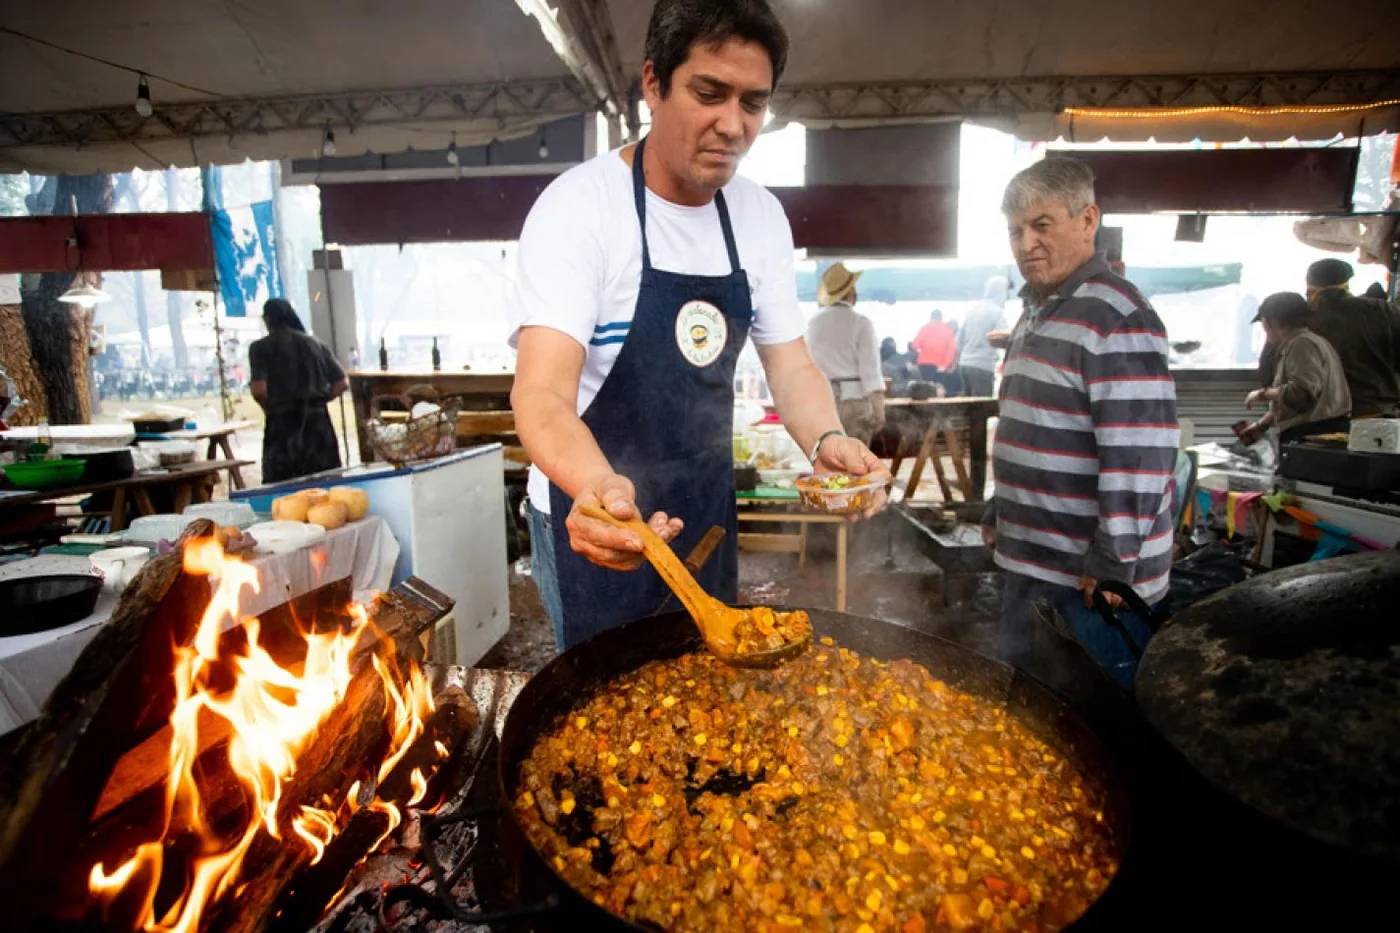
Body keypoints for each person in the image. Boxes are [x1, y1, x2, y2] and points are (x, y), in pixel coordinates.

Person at [509, 0, 890, 651]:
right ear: (653, 84)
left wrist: (825, 435)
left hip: (705, 511)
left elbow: (791, 364)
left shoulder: (760, 218)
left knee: (713, 692)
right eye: (709, 93)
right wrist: (596, 488)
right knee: (607, 716)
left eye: (753, 103)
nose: (732, 125)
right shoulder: (579, 210)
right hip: (600, 512)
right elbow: (541, 394)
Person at [983, 157, 1179, 689]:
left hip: (1090, 584)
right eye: (1015, 231)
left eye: (1041, 225)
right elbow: (1025, 424)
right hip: (1032, 562)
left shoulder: (1117, 314)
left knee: (1090, 731)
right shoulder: (1039, 306)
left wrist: (1116, 562)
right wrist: (998, 510)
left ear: (1088, 220)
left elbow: (1139, 455)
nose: (1026, 244)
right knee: (1023, 714)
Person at [248, 298, 348, 483]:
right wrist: (320, 400)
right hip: (318, 426)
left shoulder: (259, 348)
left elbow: (259, 390)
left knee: (283, 490)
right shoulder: (316, 344)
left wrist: (268, 408)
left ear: (268, 319)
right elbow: (342, 383)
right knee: (325, 485)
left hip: (282, 426)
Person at [1240, 292, 1351, 445]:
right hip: (1314, 432)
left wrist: (1261, 394)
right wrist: (1261, 425)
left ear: (1275, 322)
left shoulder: (1301, 344)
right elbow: (1295, 401)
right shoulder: (1307, 342)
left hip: (1314, 435)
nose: (1263, 329)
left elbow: (1301, 393)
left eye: (1263, 322)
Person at [1303, 259, 1400, 419]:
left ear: (1310, 285)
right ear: (1346, 282)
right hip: (1382, 416)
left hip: (1325, 420)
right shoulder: (1385, 311)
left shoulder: (1308, 319)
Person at [805, 262, 885, 442]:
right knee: (856, 461)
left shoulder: (812, 323)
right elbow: (870, 370)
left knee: (826, 459)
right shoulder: (861, 323)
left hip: (822, 400)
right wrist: (879, 407)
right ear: (850, 293)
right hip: (853, 401)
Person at [957, 275, 1010, 397]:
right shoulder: (997, 312)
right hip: (983, 366)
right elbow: (1003, 339)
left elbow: (959, 341)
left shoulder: (972, 311)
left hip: (965, 364)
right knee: (981, 409)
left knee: (968, 407)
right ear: (1001, 292)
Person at [910, 309, 959, 390]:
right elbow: (951, 350)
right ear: (941, 318)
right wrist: (945, 365)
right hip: (939, 365)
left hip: (923, 364)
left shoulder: (925, 328)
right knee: (939, 388)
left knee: (926, 388)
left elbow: (914, 345)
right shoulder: (947, 330)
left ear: (931, 317)